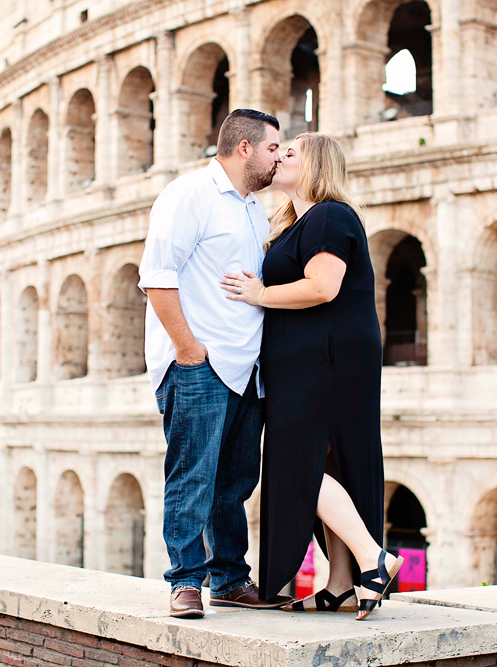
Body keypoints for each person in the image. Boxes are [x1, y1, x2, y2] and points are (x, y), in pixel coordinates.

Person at [220, 132, 403, 620]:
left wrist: (258, 295)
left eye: (289, 152)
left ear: (317, 165)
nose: (277, 157)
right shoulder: (297, 222)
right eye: (276, 151)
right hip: (312, 359)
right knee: (329, 464)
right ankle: (341, 583)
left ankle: (372, 558)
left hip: (325, 360)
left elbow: (323, 287)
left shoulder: (329, 215)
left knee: (297, 464)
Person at [138, 109, 292, 619]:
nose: (278, 158)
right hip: (199, 364)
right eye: (273, 148)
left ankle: (229, 578)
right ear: (244, 148)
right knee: (192, 476)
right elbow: (157, 276)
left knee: (235, 482)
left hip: (247, 367)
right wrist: (187, 348)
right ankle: (185, 581)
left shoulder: (251, 209)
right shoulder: (189, 196)